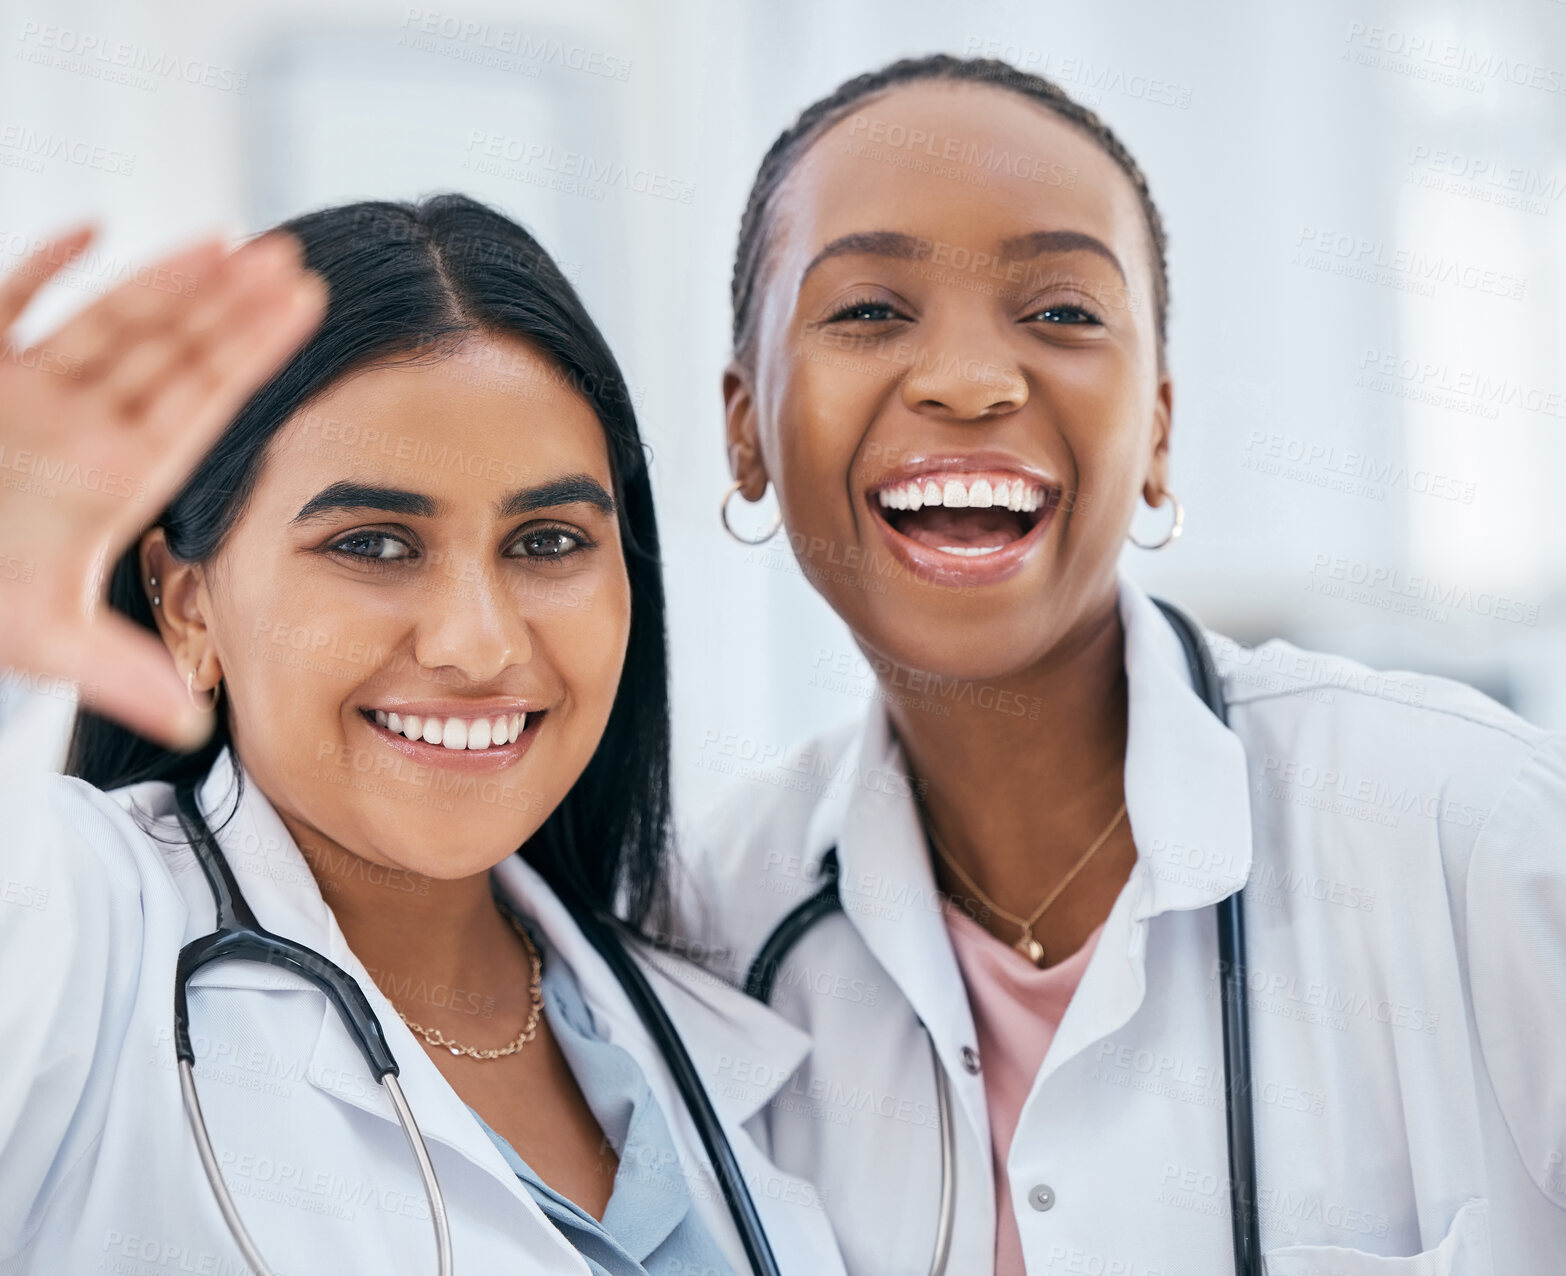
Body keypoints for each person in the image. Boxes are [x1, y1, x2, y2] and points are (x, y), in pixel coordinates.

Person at [675, 53, 1566, 1275]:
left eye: (1062, 312)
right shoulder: (708, 932)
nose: (972, 381)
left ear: (1155, 426)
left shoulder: (1472, 833)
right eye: (871, 310)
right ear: (745, 428)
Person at [0, 197, 842, 1276]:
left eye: (546, 540)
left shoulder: (700, 1025)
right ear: (187, 602)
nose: (478, 644)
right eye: (375, 542)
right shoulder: (84, 936)